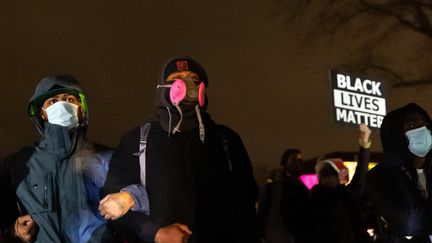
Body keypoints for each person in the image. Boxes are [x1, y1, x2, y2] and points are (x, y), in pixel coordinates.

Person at [100, 56, 259, 243]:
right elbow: (111, 201)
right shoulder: (138, 139)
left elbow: (246, 205)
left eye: (193, 79)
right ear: (162, 89)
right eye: (176, 78)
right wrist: (155, 233)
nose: (187, 84)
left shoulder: (226, 139)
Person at [0, 75, 117, 242]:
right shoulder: (20, 164)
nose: (62, 105)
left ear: (80, 108)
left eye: (69, 99)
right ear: (42, 113)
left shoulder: (108, 159)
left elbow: (136, 213)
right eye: (53, 102)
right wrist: (13, 233)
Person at [366, 103, 432, 242]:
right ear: (395, 134)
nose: (423, 130)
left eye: (425, 124)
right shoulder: (380, 176)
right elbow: (409, 223)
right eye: (412, 127)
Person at [310, 124, 373, 243]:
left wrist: (364, 144)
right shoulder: (315, 200)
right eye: (325, 175)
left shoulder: (346, 194)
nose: (330, 178)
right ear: (320, 180)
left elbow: (361, 172)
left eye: (332, 174)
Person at [256, 148, 311, 243]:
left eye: (300, 160)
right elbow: (262, 214)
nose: (298, 163)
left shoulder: (302, 188)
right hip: (277, 236)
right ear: (285, 163)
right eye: (293, 160)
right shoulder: (273, 188)